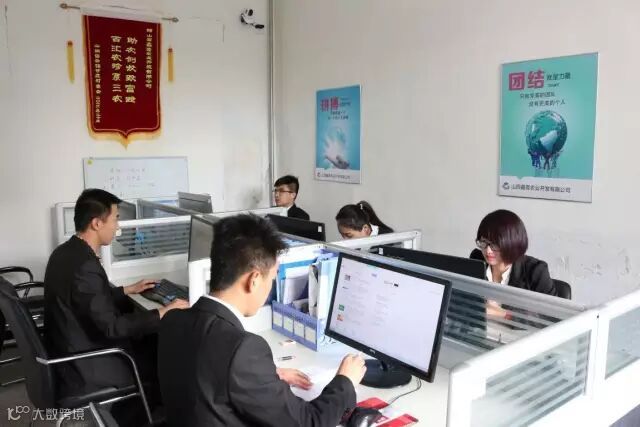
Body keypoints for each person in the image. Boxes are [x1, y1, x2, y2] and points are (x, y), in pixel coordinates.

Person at [158, 214, 366, 427]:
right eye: (272, 279)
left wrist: (263, 378)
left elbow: (204, 372)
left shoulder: (173, 320)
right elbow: (310, 422)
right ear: (254, 280)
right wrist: (345, 381)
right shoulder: (243, 349)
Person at [44, 189, 188, 424]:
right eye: (116, 219)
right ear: (97, 223)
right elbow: (112, 327)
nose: (118, 226)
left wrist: (126, 290)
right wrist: (162, 312)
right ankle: (145, 416)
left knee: (149, 341)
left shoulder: (66, 253)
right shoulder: (85, 266)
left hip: (69, 347)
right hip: (86, 364)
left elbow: (86, 299)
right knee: (161, 356)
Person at [470, 209, 557, 296]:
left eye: (495, 244)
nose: (488, 251)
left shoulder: (536, 271)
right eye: (484, 242)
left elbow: (552, 305)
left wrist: (499, 305)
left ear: (512, 243)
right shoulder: (476, 259)